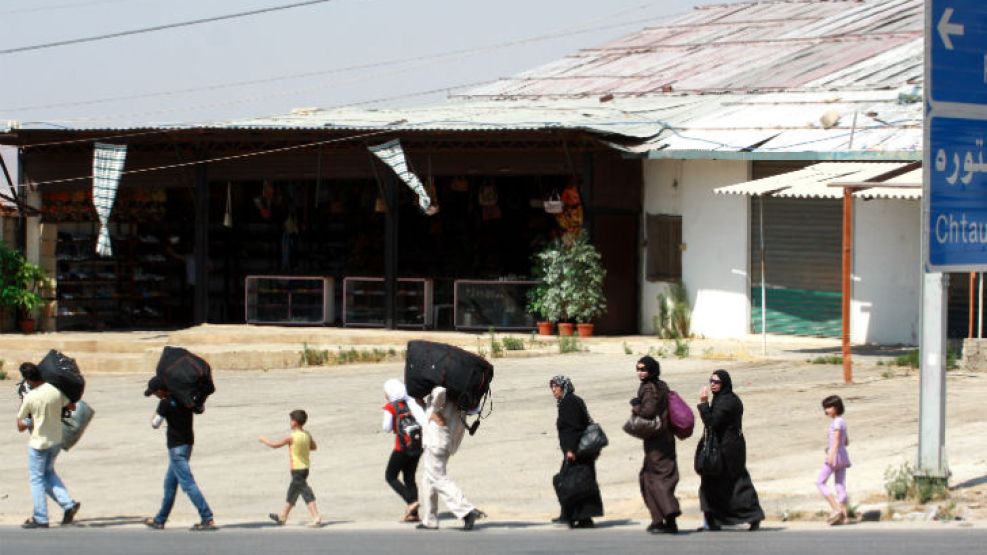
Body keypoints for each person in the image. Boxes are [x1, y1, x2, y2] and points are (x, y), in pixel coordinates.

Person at [143, 376, 217, 531]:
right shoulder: (184, 397)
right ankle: (160, 519)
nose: (155, 395)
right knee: (170, 484)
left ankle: (207, 517)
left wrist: (155, 415)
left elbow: (155, 424)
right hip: (188, 444)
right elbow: (198, 408)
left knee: (187, 484)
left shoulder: (165, 403)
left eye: (155, 392)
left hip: (176, 448)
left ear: (161, 390)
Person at [696, 369, 764, 531]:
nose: (713, 384)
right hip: (727, 446)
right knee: (713, 483)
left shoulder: (727, 402)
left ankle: (752, 515)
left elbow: (711, 423)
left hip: (728, 450)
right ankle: (712, 520)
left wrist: (703, 404)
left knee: (735, 483)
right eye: (711, 381)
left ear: (724, 383)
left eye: (717, 382)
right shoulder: (723, 399)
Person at [16, 363, 81, 529]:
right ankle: (68, 505)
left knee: (37, 480)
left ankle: (41, 517)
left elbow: (20, 426)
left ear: (28, 380)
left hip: (38, 443)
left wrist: (31, 420)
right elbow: (72, 406)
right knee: (49, 474)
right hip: (56, 441)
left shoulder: (30, 397)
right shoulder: (55, 391)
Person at [417, 385, 485, 530]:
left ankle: (466, 510)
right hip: (449, 438)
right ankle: (430, 519)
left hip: (437, 438)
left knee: (437, 477)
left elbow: (440, 391)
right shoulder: (461, 390)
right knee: (428, 478)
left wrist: (434, 410)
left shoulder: (444, 384)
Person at [631, 356, 680, 534]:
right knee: (651, 477)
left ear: (652, 370)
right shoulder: (662, 385)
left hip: (657, 441)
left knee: (656, 478)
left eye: (644, 369)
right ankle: (658, 519)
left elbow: (648, 412)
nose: (640, 372)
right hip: (665, 439)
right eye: (638, 369)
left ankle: (669, 518)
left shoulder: (649, 388)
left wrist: (636, 406)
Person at [550, 375, 603, 529]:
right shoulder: (573, 400)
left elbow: (573, 428)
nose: (553, 390)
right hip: (582, 451)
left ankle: (572, 516)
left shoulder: (569, 403)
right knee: (581, 483)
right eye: (552, 387)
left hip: (576, 451)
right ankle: (578, 517)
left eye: (556, 387)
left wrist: (570, 450)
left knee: (568, 482)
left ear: (564, 387)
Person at [259, 409, 322, 527]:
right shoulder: (307, 434)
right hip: (305, 468)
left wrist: (264, 440)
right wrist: (303, 447)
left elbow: (275, 445)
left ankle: (316, 517)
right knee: (293, 492)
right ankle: (283, 516)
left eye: (291, 420)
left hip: (297, 469)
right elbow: (314, 447)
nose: (290, 422)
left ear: (295, 423)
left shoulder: (291, 437)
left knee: (305, 492)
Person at [382, 379, 426, 522]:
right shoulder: (413, 403)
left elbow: (386, 427)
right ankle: (414, 514)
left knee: (390, 476)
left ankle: (411, 502)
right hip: (417, 446)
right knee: (409, 478)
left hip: (401, 447)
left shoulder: (391, 407)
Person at [817, 395, 851, 525]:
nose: (826, 410)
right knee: (840, 485)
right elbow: (846, 441)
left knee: (820, 482)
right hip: (843, 455)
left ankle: (836, 509)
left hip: (835, 455)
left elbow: (837, 440)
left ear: (836, 408)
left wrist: (831, 453)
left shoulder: (836, 422)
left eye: (828, 407)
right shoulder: (842, 422)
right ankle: (845, 516)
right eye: (825, 408)